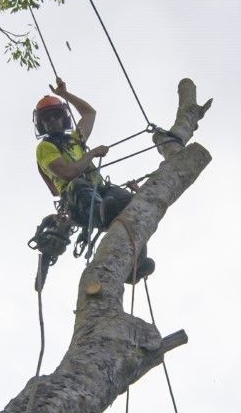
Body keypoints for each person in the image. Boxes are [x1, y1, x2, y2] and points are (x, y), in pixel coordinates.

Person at [33, 78, 153, 281]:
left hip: (102, 191)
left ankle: (136, 263)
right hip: (77, 200)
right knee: (78, 184)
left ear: (63, 119)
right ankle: (101, 212)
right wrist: (92, 154)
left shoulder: (75, 139)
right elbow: (68, 173)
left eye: (56, 116)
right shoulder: (45, 148)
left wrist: (65, 95)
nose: (52, 120)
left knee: (127, 200)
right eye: (47, 118)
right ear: (42, 124)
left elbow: (89, 113)